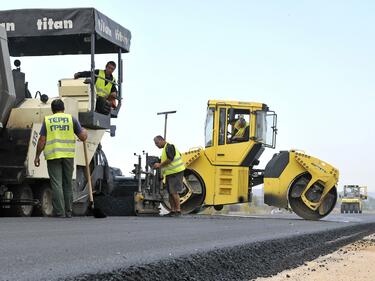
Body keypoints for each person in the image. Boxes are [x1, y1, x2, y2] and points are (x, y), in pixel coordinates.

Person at [34, 99, 88, 218]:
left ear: (52, 110)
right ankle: (69, 212)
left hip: (53, 156)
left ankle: (60, 212)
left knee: (56, 184)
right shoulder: (71, 119)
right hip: (68, 156)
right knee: (67, 183)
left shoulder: (48, 120)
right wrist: (85, 132)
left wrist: (37, 156)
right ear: (64, 108)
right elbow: (83, 136)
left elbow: (42, 140)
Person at [153, 135, 185, 217]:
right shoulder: (165, 149)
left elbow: (170, 159)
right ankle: (173, 210)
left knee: (174, 192)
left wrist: (160, 165)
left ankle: (178, 210)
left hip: (176, 172)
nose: (156, 145)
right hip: (170, 173)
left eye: (157, 143)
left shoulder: (169, 147)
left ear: (161, 140)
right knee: (170, 192)